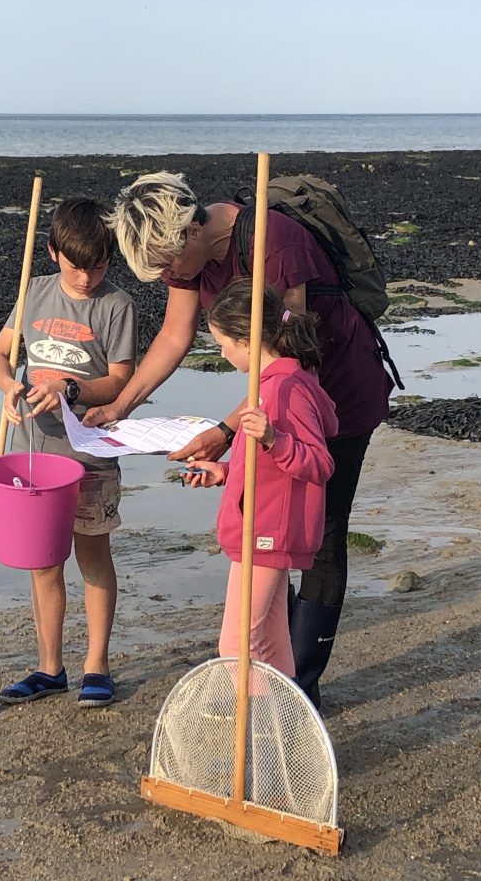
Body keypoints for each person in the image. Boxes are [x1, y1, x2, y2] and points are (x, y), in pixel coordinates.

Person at [83, 171, 393, 708]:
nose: (164, 276)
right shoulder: (188, 258)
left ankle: (302, 689)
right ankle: (277, 680)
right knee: (272, 533)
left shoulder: (275, 244)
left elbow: (292, 357)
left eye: (164, 264)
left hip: (332, 392)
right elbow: (176, 336)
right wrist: (118, 406)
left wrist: (227, 431)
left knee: (318, 535)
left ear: (187, 233)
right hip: (270, 406)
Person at [0, 197, 137, 709]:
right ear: (52, 252)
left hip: (90, 454)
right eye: (76, 268)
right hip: (34, 455)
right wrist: (8, 384)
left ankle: (98, 664)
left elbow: (119, 380)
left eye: (97, 267)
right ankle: (50, 668)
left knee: (92, 554)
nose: (87, 278)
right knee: (43, 563)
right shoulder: (35, 291)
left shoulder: (117, 305)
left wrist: (71, 389)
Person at [181, 280, 338, 674]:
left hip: (268, 534)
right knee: (269, 640)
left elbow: (319, 464)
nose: (222, 353)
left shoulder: (288, 388)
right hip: (257, 525)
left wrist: (274, 438)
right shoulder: (268, 387)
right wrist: (225, 472)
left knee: (236, 644)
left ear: (246, 341)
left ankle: (251, 726)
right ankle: (280, 727)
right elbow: (268, 472)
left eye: (222, 344)